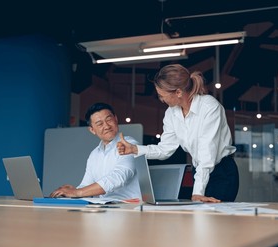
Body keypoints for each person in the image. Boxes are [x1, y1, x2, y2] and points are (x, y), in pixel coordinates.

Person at [117, 64, 239, 203]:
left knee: (215, 220)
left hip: (221, 173)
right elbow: (165, 150)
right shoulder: (171, 113)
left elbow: (207, 154)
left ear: (179, 92)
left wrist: (198, 192)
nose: (161, 100)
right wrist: (135, 149)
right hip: (198, 171)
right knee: (201, 219)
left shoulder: (209, 107)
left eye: (162, 95)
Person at [50, 102, 141, 200]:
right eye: (99, 124)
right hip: (104, 207)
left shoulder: (130, 145)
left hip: (129, 208)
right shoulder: (94, 154)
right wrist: (70, 192)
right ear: (92, 130)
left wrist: (78, 192)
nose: (106, 126)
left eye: (109, 119)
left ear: (116, 119)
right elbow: (85, 185)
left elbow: (119, 177)